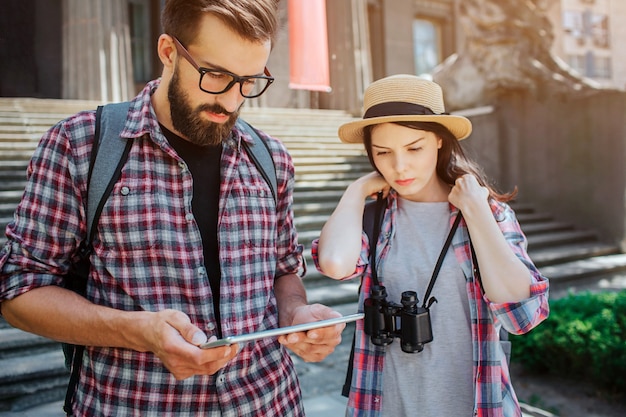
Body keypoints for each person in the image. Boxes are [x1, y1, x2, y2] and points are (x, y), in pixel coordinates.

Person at [0, 1, 345, 415]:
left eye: (249, 81)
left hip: (269, 402)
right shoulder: (80, 146)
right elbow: (19, 292)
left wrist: (297, 313)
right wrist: (137, 331)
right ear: (167, 51)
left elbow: (283, 270)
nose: (233, 101)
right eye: (215, 75)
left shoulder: (272, 157)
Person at [312, 74, 550, 416]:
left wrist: (475, 210)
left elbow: (521, 315)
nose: (399, 166)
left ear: (440, 141)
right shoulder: (374, 217)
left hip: (472, 406)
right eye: (383, 152)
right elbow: (335, 264)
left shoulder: (488, 214)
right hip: (383, 405)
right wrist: (356, 191)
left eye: (414, 148)